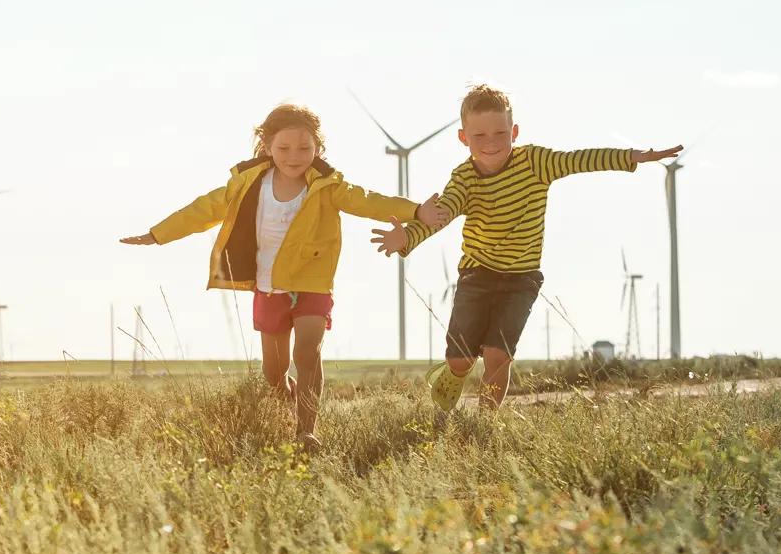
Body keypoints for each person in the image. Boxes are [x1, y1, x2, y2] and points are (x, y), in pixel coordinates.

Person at [121, 103, 450, 450]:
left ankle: (306, 430)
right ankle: (289, 397)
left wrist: (415, 210)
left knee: (307, 353)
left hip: (313, 284)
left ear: (318, 149)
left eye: (305, 148)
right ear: (267, 147)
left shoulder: (327, 187)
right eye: (284, 148)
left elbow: (369, 201)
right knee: (273, 374)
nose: (295, 156)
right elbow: (201, 210)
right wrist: (157, 234)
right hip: (269, 287)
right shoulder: (247, 184)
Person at [370, 83, 681, 410]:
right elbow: (442, 213)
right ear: (463, 138)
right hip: (476, 274)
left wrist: (632, 157)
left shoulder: (536, 162)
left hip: (522, 279)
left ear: (514, 132)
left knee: (497, 355)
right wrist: (407, 236)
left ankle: (487, 422)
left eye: (499, 133)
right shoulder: (464, 178)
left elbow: (580, 160)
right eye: (479, 136)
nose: (490, 143)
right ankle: (454, 372)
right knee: (461, 360)